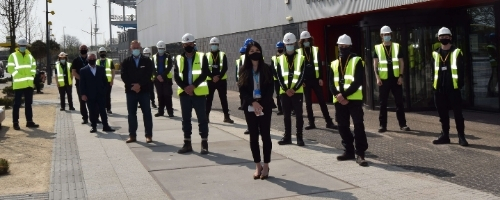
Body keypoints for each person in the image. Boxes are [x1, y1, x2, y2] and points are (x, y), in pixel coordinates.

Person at [329, 34, 368, 166]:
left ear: (350, 47)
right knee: (342, 126)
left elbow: (358, 81)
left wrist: (343, 95)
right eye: (341, 46)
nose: (343, 48)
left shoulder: (357, 60)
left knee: (358, 126)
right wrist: (338, 96)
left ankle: (360, 153)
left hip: (354, 99)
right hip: (339, 100)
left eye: (345, 46)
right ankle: (349, 150)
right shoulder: (334, 63)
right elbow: (331, 83)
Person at [238, 41, 274, 180]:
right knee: (253, 136)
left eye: (256, 50)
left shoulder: (267, 68)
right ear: (247, 54)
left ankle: (266, 165)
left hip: (264, 105)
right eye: (251, 51)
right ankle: (257, 165)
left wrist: (261, 105)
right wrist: (253, 103)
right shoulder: (243, 70)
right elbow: (242, 90)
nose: (254, 53)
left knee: (265, 136)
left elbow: (271, 89)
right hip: (250, 106)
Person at [174, 33, 211, 154]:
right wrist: (186, 88)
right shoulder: (178, 59)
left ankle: (204, 143)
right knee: (186, 119)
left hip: (199, 93)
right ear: (182, 45)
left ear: (194, 44)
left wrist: (193, 86)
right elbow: (176, 76)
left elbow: (205, 73)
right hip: (184, 94)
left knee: (202, 119)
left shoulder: (201, 56)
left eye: (190, 44)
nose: (188, 46)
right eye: (186, 44)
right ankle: (187, 143)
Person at [431, 27, 468, 146]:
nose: (444, 38)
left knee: (458, 114)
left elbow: (462, 70)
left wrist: (460, 85)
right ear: (438, 38)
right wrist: (434, 86)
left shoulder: (457, 52)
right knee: (442, 114)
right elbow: (433, 71)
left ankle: (461, 137)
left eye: (446, 36)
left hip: (453, 88)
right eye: (442, 37)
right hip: (439, 89)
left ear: (450, 38)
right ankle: (445, 135)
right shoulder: (435, 53)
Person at [373, 26, 410, 133]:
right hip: (383, 80)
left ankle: (403, 124)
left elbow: (401, 62)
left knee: (399, 103)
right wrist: (377, 77)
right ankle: (382, 125)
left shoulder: (397, 46)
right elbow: (375, 64)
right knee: (383, 103)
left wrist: (401, 76)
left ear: (391, 35)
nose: (387, 36)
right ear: (381, 36)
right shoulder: (377, 48)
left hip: (396, 79)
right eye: (385, 35)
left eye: (388, 34)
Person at [297, 31, 337, 130]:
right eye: (304, 40)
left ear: (310, 40)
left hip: (315, 80)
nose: (306, 41)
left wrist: (321, 78)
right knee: (308, 103)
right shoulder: (298, 52)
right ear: (301, 41)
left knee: (322, 101)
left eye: (308, 40)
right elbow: (297, 68)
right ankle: (311, 123)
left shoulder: (315, 50)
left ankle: (329, 122)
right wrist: (301, 81)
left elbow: (319, 64)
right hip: (305, 81)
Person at [121, 40, 154, 143]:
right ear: (131, 48)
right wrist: (133, 86)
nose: (136, 49)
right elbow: (124, 75)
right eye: (134, 48)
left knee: (147, 113)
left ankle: (148, 135)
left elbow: (148, 74)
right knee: (131, 114)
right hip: (131, 91)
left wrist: (139, 85)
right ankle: (132, 135)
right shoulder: (126, 61)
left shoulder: (147, 61)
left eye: (137, 48)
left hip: (144, 91)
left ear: (140, 48)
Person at [276, 33, 306, 146]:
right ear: (284, 44)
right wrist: (285, 89)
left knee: (299, 115)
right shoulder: (279, 59)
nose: (289, 45)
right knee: (286, 116)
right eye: (287, 44)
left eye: (291, 44)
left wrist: (293, 89)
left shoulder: (301, 58)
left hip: (297, 92)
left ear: (294, 44)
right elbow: (278, 76)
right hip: (284, 93)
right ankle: (287, 137)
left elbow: (302, 75)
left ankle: (299, 137)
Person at [6, 38, 40, 130]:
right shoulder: (13, 56)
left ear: (26, 46)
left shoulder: (30, 56)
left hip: (28, 84)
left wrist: (32, 75)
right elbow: (10, 69)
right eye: (21, 46)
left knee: (29, 104)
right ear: (18, 46)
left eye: (24, 46)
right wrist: (19, 76)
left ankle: (29, 121)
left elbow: (33, 67)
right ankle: (15, 123)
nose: (23, 47)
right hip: (19, 84)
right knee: (17, 104)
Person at [79, 53, 115, 133]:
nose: (92, 60)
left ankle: (106, 126)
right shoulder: (83, 70)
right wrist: (83, 94)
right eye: (90, 58)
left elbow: (105, 81)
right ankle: (93, 126)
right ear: (88, 60)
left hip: (100, 94)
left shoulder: (101, 69)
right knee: (92, 111)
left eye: (93, 58)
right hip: (89, 95)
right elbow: (82, 84)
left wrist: (104, 90)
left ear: (96, 59)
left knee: (103, 110)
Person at [205, 37, 234, 123]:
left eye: (216, 44)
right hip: (210, 80)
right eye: (212, 44)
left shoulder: (222, 54)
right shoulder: (206, 55)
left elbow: (225, 67)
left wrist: (218, 77)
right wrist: (212, 77)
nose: (214, 46)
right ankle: (206, 117)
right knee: (208, 99)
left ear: (218, 45)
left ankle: (226, 117)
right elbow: (205, 68)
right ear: (210, 45)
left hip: (221, 80)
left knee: (223, 99)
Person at [152, 41, 175, 117]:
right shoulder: (154, 57)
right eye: (159, 48)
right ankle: (160, 111)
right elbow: (152, 68)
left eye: (162, 48)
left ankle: (170, 112)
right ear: (157, 48)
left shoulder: (168, 56)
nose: (160, 49)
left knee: (167, 96)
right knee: (160, 96)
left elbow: (169, 67)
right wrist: (157, 76)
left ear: (164, 48)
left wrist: (162, 76)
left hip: (166, 80)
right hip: (157, 80)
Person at [72, 44, 90, 124]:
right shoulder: (76, 60)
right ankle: (85, 117)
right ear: (79, 50)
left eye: (84, 48)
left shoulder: (91, 59)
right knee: (82, 101)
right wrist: (82, 79)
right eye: (82, 48)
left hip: (90, 84)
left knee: (93, 101)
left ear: (87, 49)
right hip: (80, 84)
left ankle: (95, 117)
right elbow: (73, 72)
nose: (83, 49)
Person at [97, 47, 115, 114]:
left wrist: (112, 80)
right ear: (99, 53)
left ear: (106, 53)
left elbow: (113, 71)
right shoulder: (97, 62)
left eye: (104, 52)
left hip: (108, 81)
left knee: (107, 95)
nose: (102, 53)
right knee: (101, 96)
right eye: (101, 52)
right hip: (99, 82)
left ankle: (108, 109)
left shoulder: (109, 61)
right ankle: (102, 108)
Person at [270, 41, 284, 115]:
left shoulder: (285, 56)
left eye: (281, 47)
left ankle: (291, 109)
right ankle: (280, 109)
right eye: (278, 48)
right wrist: (276, 75)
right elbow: (272, 68)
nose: (279, 49)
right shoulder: (273, 58)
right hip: (276, 80)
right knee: (278, 95)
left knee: (286, 95)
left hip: (285, 79)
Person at [487, 33, 498, 97]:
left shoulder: (491, 46)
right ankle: (491, 91)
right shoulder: (491, 46)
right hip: (494, 64)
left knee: (494, 78)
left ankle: (491, 90)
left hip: (494, 63)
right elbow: (495, 55)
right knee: (494, 78)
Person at [236, 46, 246, 111]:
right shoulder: (238, 61)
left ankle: (244, 105)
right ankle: (242, 105)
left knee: (244, 93)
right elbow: (236, 71)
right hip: (240, 79)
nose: (241, 54)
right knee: (241, 93)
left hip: (244, 78)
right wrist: (237, 80)